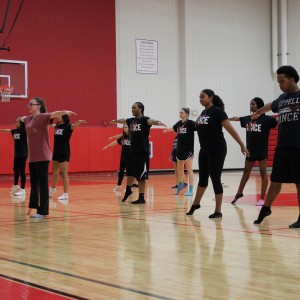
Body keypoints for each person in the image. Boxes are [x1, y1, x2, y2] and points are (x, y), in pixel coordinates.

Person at [186, 89, 249, 218]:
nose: (200, 99)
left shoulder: (218, 112)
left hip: (217, 149)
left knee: (215, 179)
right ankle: (196, 204)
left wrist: (242, 145)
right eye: (199, 97)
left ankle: (218, 211)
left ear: (211, 97)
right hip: (204, 150)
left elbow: (230, 130)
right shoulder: (203, 113)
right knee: (203, 178)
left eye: (202, 96)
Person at [252, 66, 300, 228]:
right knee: (276, 180)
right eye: (278, 81)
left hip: (298, 147)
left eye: (282, 81)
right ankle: (266, 209)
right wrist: (259, 111)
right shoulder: (282, 98)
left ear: (293, 79)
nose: (280, 84)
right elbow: (271, 105)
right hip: (282, 147)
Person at [19, 97, 76, 218]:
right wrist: (20, 118)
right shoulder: (28, 119)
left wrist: (64, 111)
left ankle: (43, 211)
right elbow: (21, 118)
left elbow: (54, 113)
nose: (28, 106)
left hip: (43, 155)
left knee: (42, 184)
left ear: (38, 106)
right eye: (28, 104)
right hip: (32, 156)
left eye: (31, 104)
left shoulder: (43, 117)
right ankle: (33, 206)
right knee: (33, 182)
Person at [111, 102, 166, 204]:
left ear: (140, 109)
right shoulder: (131, 120)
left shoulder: (144, 119)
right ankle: (128, 190)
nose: (132, 109)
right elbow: (124, 120)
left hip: (142, 152)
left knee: (141, 176)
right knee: (130, 173)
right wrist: (115, 120)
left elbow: (151, 121)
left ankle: (141, 197)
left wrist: (158, 122)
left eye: (134, 108)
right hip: (132, 151)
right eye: (131, 108)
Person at [229, 98, 277, 206]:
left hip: (262, 152)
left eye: (253, 104)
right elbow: (237, 118)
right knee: (246, 172)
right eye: (250, 104)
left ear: (259, 106)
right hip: (250, 151)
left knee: (263, 174)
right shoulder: (248, 119)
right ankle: (239, 193)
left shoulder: (267, 119)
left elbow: (278, 120)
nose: (251, 106)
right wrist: (226, 119)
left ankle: (262, 199)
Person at [49, 115, 87, 201]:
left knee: (64, 173)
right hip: (56, 152)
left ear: (64, 118)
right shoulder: (57, 126)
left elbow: (74, 126)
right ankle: (52, 189)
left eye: (60, 116)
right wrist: (52, 116)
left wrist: (79, 122)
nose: (58, 117)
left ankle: (65, 194)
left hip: (64, 152)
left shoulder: (68, 126)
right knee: (55, 172)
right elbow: (49, 124)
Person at [0, 118, 28, 197]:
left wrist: (23, 119)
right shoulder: (15, 131)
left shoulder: (24, 130)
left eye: (17, 122)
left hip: (23, 154)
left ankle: (23, 189)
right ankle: (15, 185)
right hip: (17, 154)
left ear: (21, 123)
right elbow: (8, 130)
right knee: (15, 169)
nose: (15, 123)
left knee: (22, 171)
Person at [102, 124, 131, 191]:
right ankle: (118, 185)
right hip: (123, 157)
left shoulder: (132, 136)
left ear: (129, 128)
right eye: (124, 127)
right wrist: (107, 146)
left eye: (126, 127)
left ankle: (129, 187)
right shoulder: (123, 137)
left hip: (130, 158)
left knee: (129, 173)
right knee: (121, 172)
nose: (125, 128)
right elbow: (116, 142)